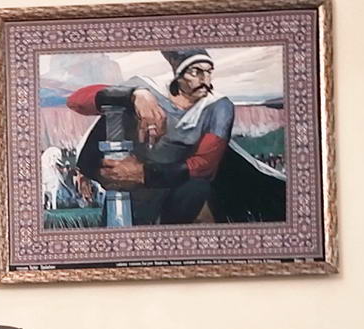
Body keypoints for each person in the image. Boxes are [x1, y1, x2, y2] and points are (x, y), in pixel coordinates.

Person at [67, 48, 283, 225]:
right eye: (196, 72)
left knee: (195, 191)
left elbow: (204, 165)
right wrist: (133, 95)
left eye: (209, 72)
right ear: (178, 76)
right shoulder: (148, 89)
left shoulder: (218, 107)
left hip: (178, 186)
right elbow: (76, 101)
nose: (205, 79)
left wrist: (143, 173)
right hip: (133, 189)